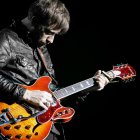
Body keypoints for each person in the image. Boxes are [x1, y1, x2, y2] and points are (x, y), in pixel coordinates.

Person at [0, 0, 112, 139]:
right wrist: (25, 94)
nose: (51, 40)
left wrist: (88, 89)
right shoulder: (6, 39)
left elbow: (53, 92)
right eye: (49, 33)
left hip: (43, 128)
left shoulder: (41, 47)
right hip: (14, 123)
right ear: (34, 21)